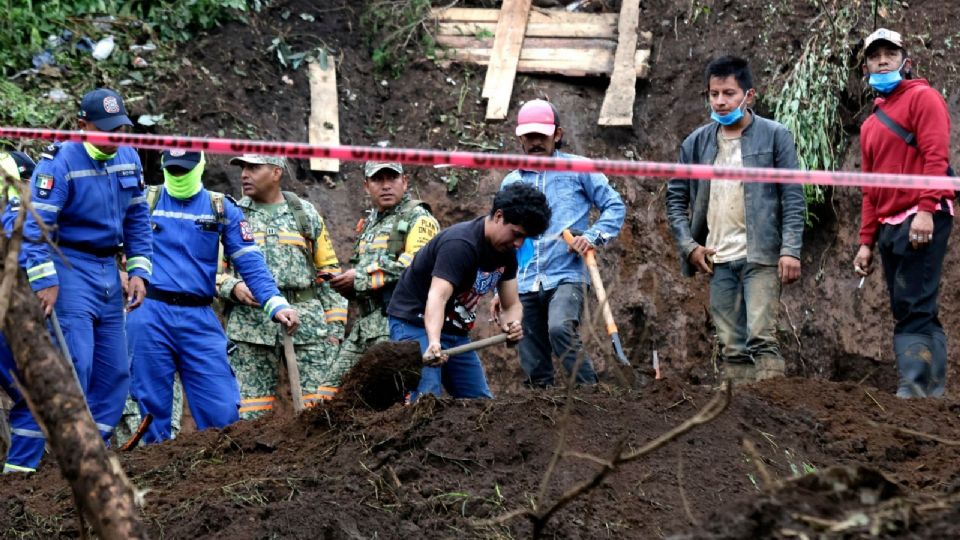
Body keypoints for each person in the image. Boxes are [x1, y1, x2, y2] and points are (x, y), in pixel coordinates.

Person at [15, 88, 153, 470]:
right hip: (68, 267)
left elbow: (138, 219)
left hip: (109, 270)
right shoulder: (58, 162)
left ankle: (90, 452)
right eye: (105, 129)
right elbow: (36, 228)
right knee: (77, 361)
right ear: (82, 126)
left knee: (115, 372)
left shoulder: (129, 157)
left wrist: (139, 269)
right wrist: (45, 280)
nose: (114, 137)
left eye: (120, 128)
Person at [127, 150, 299, 443]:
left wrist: (275, 303)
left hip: (199, 316)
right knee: (150, 411)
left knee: (221, 409)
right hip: (149, 312)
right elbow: (106, 240)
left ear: (200, 167)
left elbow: (250, 261)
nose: (179, 176)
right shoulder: (144, 200)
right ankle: (153, 479)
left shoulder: (221, 207)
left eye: (185, 170)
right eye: (173, 170)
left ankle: (217, 477)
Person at [665, 56, 805, 385]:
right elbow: (675, 199)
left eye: (729, 93)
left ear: (749, 96)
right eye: (714, 94)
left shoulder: (775, 136)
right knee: (731, 346)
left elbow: (792, 196)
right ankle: (737, 421)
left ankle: (773, 414)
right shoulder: (696, 143)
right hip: (718, 258)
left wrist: (791, 249)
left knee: (761, 338)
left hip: (761, 254)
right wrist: (689, 246)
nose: (720, 101)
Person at [853, 29, 954, 398]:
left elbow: (935, 158)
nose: (882, 60)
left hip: (922, 214)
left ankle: (914, 388)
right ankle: (930, 390)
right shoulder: (870, 125)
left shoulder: (923, 98)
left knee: (914, 301)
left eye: (890, 54)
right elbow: (870, 187)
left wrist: (926, 210)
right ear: (865, 67)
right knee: (910, 304)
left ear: (905, 61)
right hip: (889, 221)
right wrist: (866, 241)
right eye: (875, 56)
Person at [499, 99, 626, 388]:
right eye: (528, 137)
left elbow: (614, 207)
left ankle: (589, 394)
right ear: (520, 138)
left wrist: (590, 237)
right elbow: (502, 237)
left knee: (559, 328)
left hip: (567, 274)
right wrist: (499, 283)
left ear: (557, 134)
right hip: (524, 280)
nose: (534, 143)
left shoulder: (578, 168)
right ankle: (541, 408)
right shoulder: (511, 182)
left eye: (541, 136)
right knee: (530, 350)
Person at [387, 183, 551, 401]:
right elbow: (438, 296)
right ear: (499, 216)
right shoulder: (461, 244)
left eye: (525, 238)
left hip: (455, 331)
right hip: (414, 323)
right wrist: (434, 342)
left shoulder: (507, 253)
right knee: (425, 398)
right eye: (516, 234)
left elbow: (511, 304)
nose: (519, 243)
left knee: (481, 405)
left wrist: (513, 324)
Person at [218, 154, 347, 417]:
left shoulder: (305, 214)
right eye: (243, 168)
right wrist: (233, 288)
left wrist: (334, 331)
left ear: (276, 172)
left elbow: (330, 275)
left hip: (308, 327)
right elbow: (212, 273)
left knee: (319, 411)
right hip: (250, 329)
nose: (244, 174)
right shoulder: (232, 215)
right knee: (247, 413)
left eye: (253, 167)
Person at [330, 161, 439, 373]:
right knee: (331, 393)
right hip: (364, 326)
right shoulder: (370, 222)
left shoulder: (419, 217)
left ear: (404, 182)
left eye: (392, 178)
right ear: (366, 186)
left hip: (396, 324)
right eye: (378, 179)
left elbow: (416, 263)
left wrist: (360, 278)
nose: (386, 185)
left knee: (392, 396)